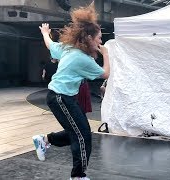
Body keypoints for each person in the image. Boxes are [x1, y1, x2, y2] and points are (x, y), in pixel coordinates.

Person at [32, 3, 110, 180]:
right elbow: (105, 73)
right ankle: (78, 176)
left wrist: (45, 33)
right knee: (82, 136)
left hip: (61, 97)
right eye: (98, 38)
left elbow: (50, 45)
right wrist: (106, 54)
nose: (100, 41)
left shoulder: (69, 49)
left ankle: (44, 140)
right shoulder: (81, 58)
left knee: (79, 132)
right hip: (61, 98)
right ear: (89, 38)